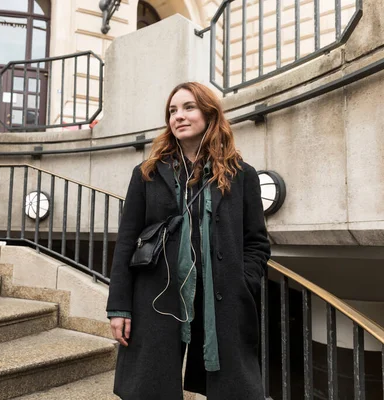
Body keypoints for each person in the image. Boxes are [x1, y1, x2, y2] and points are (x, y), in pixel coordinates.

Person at [106, 82, 270, 400]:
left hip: (220, 299)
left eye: (188, 108)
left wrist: (242, 280)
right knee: (151, 386)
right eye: (172, 111)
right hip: (157, 297)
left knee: (234, 388)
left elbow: (257, 242)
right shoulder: (147, 174)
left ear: (210, 115)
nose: (178, 116)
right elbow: (126, 243)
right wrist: (119, 307)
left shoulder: (242, 175)